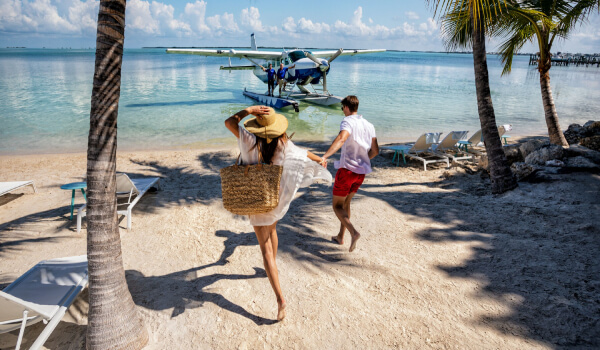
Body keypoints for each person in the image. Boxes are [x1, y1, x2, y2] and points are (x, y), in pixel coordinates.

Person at [224, 105, 331, 321]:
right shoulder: (282, 142)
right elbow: (301, 153)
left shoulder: (249, 140)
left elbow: (229, 122)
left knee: (264, 248)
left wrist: (249, 109)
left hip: (254, 197)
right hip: (274, 197)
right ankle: (271, 268)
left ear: (257, 125)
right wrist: (319, 159)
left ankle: (280, 298)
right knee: (272, 230)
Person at [321, 95, 379, 252]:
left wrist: (325, 156)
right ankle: (341, 236)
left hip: (347, 171)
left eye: (342, 108)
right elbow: (375, 150)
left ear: (346, 107)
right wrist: (364, 159)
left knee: (337, 206)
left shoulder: (347, 121)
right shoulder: (369, 125)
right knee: (346, 204)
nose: (342, 111)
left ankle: (353, 233)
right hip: (361, 173)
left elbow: (341, 139)